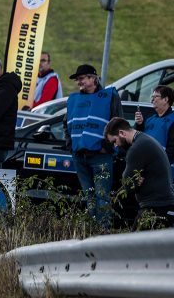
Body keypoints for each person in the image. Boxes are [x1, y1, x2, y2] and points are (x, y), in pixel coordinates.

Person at [65, 64, 122, 226]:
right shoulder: (74, 99)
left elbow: (119, 124)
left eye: (81, 78)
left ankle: (103, 233)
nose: (79, 82)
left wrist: (108, 148)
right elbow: (66, 125)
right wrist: (72, 148)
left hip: (101, 156)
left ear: (93, 78)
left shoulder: (109, 96)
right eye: (78, 80)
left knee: (102, 196)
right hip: (80, 157)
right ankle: (91, 232)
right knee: (88, 196)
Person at [104, 117, 174, 227]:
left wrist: (133, 182)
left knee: (133, 243)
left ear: (121, 133)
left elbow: (127, 184)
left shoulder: (136, 148)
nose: (116, 145)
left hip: (156, 207)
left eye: (114, 141)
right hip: (162, 204)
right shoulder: (145, 139)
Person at [135, 85, 174, 180]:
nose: (152, 100)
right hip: (146, 169)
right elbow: (139, 140)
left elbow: (172, 149)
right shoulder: (150, 119)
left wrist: (156, 166)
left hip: (163, 171)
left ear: (166, 99)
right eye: (151, 97)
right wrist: (139, 125)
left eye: (155, 97)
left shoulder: (172, 120)